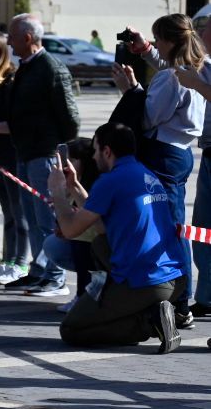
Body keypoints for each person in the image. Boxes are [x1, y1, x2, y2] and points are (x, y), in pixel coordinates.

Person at [51, 123, 184, 352]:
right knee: (101, 243)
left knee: (72, 330)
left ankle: (150, 321)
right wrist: (73, 186)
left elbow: (71, 229)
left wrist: (57, 191)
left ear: (107, 151)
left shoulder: (111, 181)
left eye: (95, 150)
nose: (93, 157)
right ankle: (151, 311)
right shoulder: (145, 174)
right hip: (174, 277)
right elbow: (101, 225)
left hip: (147, 281)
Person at [117, 14, 204, 326]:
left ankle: (180, 301)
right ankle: (179, 299)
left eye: (157, 39)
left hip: (163, 153)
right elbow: (170, 70)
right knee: (175, 226)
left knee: (169, 229)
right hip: (181, 152)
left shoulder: (171, 78)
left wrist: (133, 90)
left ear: (167, 40)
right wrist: (146, 51)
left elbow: (150, 116)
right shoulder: (198, 66)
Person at [4, 14, 81, 297]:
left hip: (45, 153)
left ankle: (55, 276)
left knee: (48, 217)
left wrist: (59, 151)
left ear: (27, 38)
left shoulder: (51, 67)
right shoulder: (26, 66)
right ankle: (39, 270)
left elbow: (70, 118)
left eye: (12, 36)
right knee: (32, 216)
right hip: (26, 151)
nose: (8, 42)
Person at [0, 33, 32, 284]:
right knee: (8, 211)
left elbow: (12, 124)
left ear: (2, 50)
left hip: (12, 154)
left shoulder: (11, 79)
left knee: (19, 212)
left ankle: (21, 262)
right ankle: (9, 260)